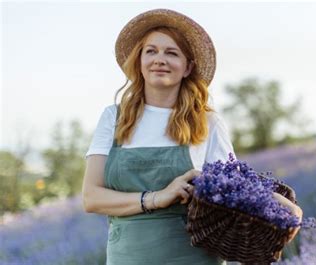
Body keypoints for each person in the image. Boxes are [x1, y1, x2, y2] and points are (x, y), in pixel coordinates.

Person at [82, 8, 302, 265]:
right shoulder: (114, 118)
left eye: (171, 53)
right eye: (150, 51)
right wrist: (158, 197)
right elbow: (91, 197)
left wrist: (287, 208)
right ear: (139, 62)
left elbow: (238, 190)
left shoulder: (207, 122)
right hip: (127, 257)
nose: (159, 59)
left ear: (188, 67)